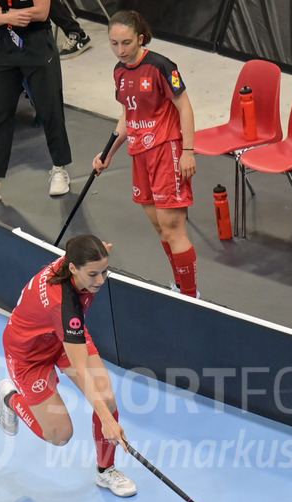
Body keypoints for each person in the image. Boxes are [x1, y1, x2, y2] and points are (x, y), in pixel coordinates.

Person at [0, 234, 137, 497]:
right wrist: (107, 421)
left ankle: (105, 471)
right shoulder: (64, 304)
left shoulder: (74, 262)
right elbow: (81, 370)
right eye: (93, 274)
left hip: (60, 337)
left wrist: (97, 255)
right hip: (28, 356)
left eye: (105, 271)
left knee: (106, 398)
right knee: (60, 435)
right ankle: (10, 398)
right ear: (73, 268)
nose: (100, 280)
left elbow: (84, 255)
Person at [92, 11, 199, 298]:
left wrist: (188, 152)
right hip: (139, 154)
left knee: (173, 226)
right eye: (114, 43)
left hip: (167, 150)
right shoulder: (120, 71)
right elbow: (127, 116)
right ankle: (179, 284)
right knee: (159, 227)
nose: (121, 50)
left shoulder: (160, 66)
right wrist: (108, 153)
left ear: (140, 38)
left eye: (126, 42)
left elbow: (184, 108)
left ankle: (191, 296)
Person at [0, 0, 72, 202]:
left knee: (50, 109)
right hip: (3, 47)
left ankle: (59, 169)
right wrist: (6, 17)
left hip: (37, 45)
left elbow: (41, 12)